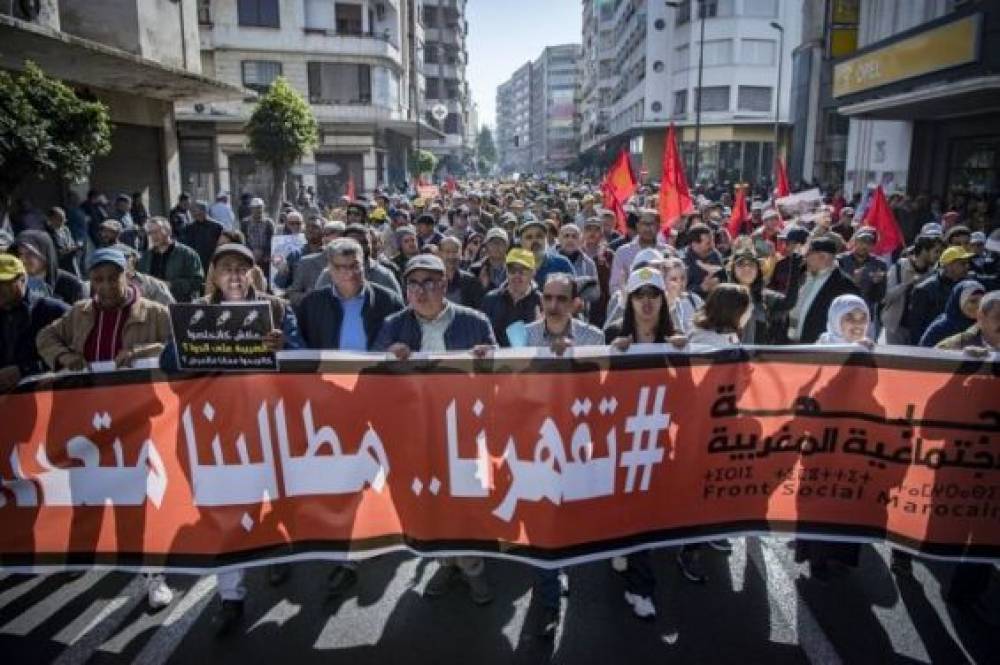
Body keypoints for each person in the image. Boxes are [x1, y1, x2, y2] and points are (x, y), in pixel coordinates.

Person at [159, 243, 301, 636]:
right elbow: (168, 363)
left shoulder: (277, 308)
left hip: (269, 425)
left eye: (243, 268)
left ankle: (276, 549)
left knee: (275, 500)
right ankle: (231, 598)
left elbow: (304, 356)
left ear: (254, 273)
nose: (235, 275)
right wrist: (189, 342)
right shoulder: (197, 312)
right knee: (224, 512)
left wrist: (283, 345)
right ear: (214, 275)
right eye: (226, 268)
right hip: (218, 432)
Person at [35, 247, 175, 610]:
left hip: (137, 420)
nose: (106, 286)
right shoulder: (78, 313)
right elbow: (45, 339)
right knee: (86, 490)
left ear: (129, 274)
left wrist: (149, 350)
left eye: (113, 277)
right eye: (97, 279)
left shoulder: (156, 313)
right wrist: (65, 357)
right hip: (88, 420)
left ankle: (151, 574)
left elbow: (180, 348)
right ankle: (82, 554)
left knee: (136, 499)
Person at [372, 254, 496, 605]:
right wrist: (386, 356)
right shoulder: (393, 325)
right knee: (431, 502)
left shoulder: (475, 322)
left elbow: (499, 378)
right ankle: (445, 563)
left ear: (445, 285)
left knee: (466, 503)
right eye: (414, 283)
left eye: (430, 283)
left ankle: (473, 567)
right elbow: (370, 376)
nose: (421, 291)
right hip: (416, 434)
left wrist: (489, 358)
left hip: (465, 434)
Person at [604, 267, 686, 618]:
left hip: (659, 442)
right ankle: (631, 568)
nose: (648, 302)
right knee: (624, 510)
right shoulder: (613, 334)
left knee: (647, 515)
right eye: (640, 295)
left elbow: (690, 395)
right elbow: (594, 392)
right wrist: (611, 355)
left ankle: (640, 583)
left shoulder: (676, 338)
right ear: (630, 301)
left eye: (654, 294)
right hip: (621, 442)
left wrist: (686, 357)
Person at [296, 238, 404, 351]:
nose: (349, 273)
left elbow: (404, 339)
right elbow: (301, 346)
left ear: (363, 265)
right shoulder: (311, 304)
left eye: (354, 266)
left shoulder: (389, 301)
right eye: (340, 267)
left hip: (376, 368)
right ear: (330, 268)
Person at [0, 254, 69, 392]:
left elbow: (77, 356)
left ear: (23, 279)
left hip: (43, 398)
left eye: (4, 283)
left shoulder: (52, 311)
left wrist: (25, 370)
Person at [786, 237, 860, 344]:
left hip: (821, 350)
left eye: (809, 255)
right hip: (794, 344)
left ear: (823, 257)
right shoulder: (804, 275)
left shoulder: (844, 285)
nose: (805, 259)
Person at [882, 234, 944, 344]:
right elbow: (886, 297)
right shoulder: (899, 268)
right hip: (897, 329)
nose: (939, 256)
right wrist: (908, 284)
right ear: (924, 250)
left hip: (920, 331)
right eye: (936, 251)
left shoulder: (934, 274)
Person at [908, 245, 974, 344]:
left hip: (958, 346)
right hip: (932, 349)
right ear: (949, 265)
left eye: (967, 263)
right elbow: (916, 329)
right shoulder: (924, 290)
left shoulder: (967, 286)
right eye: (963, 263)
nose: (967, 267)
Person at [480, 248, 542, 347]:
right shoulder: (490, 299)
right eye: (512, 270)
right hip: (497, 360)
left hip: (530, 360)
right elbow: (481, 334)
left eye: (522, 271)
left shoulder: (542, 301)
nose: (517, 275)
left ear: (533, 272)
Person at [138, 217, 204, 302]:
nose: (153, 236)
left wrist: (171, 285)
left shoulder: (187, 254)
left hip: (179, 306)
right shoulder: (145, 257)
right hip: (153, 307)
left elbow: (197, 282)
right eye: (150, 233)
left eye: (157, 231)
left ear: (168, 231)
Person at [836, 227, 887, 336]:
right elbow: (833, 290)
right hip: (840, 314)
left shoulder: (879, 265)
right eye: (862, 241)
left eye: (869, 243)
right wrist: (852, 282)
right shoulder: (840, 261)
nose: (864, 246)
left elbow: (879, 298)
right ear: (855, 241)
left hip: (865, 316)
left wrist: (876, 284)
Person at [14, 230, 85, 305]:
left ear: (45, 254)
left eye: (30, 254)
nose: (23, 259)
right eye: (20, 254)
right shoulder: (14, 283)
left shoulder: (71, 285)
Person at [609, 209, 669, 291]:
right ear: (637, 226)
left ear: (658, 227)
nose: (648, 228)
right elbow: (615, 286)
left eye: (652, 224)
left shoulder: (668, 253)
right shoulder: (623, 252)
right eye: (644, 224)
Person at [919, 280, 985, 348]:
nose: (978, 306)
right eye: (973, 301)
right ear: (960, 302)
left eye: (982, 301)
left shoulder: (984, 326)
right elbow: (923, 353)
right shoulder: (940, 328)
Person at [518, 218, 575, 287]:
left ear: (546, 239)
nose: (535, 241)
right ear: (521, 242)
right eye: (529, 237)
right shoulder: (514, 268)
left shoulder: (562, 264)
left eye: (539, 236)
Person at [580, 216, 615, 327]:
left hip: (602, 307)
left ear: (601, 233)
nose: (592, 233)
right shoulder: (577, 253)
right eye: (589, 229)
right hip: (580, 306)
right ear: (583, 232)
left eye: (596, 229)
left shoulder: (609, 255)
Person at [180, 201, 224, 272]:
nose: (193, 214)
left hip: (213, 261)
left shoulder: (217, 227)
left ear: (204, 211)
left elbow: (222, 245)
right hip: (195, 262)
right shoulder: (189, 228)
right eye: (193, 211)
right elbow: (186, 245)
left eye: (196, 211)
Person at [240, 198, 276, 275]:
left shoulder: (269, 223)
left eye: (260, 207)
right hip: (250, 257)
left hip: (266, 258)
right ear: (251, 209)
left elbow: (272, 240)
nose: (258, 210)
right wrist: (251, 252)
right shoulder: (245, 223)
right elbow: (243, 239)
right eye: (255, 208)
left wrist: (265, 253)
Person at [45, 206, 82, 277]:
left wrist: (76, 246)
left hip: (71, 263)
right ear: (52, 219)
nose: (63, 221)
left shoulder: (65, 230)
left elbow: (72, 243)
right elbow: (55, 252)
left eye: (64, 219)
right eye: (60, 219)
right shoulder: (47, 233)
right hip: (60, 266)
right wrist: (69, 249)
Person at [472, 227, 509, 292]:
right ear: (486, 245)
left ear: (507, 246)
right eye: (493, 243)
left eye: (500, 242)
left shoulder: (515, 268)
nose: (496, 246)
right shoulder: (475, 269)